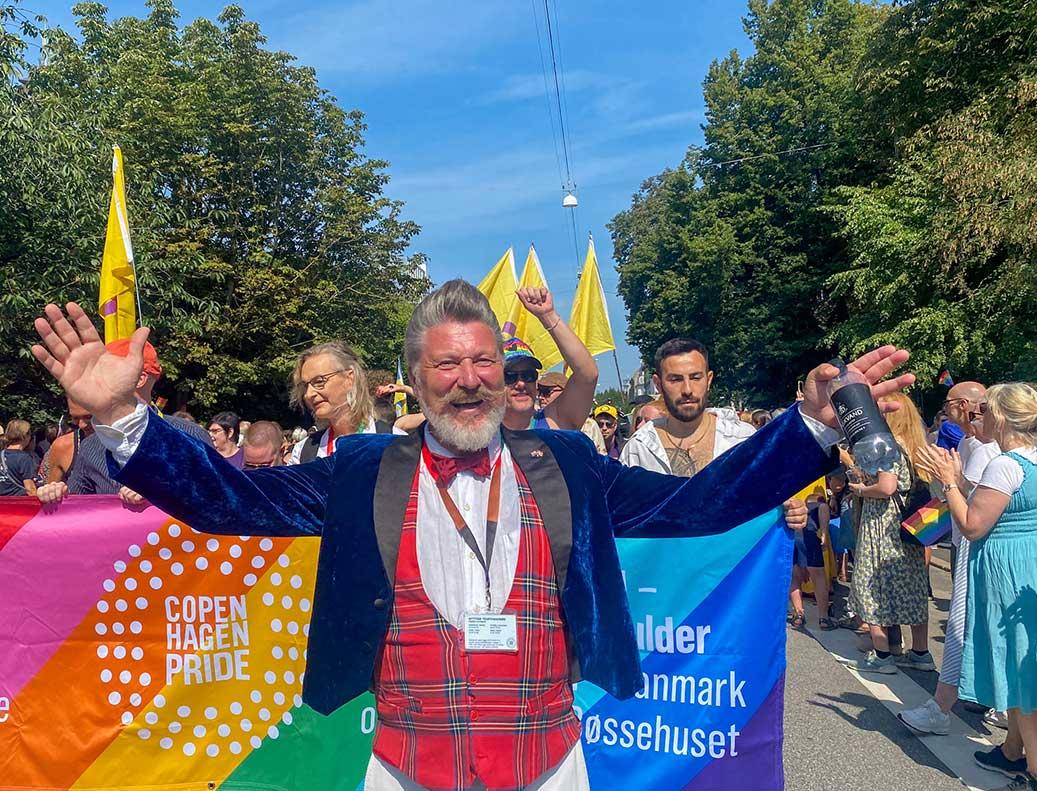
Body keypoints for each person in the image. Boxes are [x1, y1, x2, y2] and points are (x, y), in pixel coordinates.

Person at [29, 285, 914, 791]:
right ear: (414, 379)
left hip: (549, 760)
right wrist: (119, 414)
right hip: (406, 766)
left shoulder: (567, 462)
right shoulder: (363, 469)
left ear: (504, 369)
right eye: (446, 365)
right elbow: (223, 499)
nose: (467, 380)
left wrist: (807, 427)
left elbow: (702, 506)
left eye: (483, 361)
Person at [927, 383, 1037, 790]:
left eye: (985, 411)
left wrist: (947, 482)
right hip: (1031, 562)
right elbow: (991, 502)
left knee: (1021, 670)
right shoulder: (1036, 461)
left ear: (1001, 418)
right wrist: (960, 483)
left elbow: (972, 524)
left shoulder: (1004, 463)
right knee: (1020, 661)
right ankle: (1012, 750)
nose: (978, 417)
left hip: (1008, 570)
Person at [899, 380, 1002, 736]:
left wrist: (947, 481)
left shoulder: (991, 451)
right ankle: (997, 703)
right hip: (971, 546)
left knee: (964, 626)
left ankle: (942, 708)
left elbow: (967, 506)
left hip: (980, 549)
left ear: (964, 406)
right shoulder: (972, 443)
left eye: (948, 404)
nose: (945, 412)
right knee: (980, 627)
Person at [34, 338, 210, 504]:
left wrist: (161, 491)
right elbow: (77, 510)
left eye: (104, 376)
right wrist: (57, 495)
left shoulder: (190, 434)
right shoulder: (91, 446)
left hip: (172, 536)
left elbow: (219, 499)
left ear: (139, 378)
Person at [840, 391, 934, 675]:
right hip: (912, 526)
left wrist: (860, 489)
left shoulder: (887, 446)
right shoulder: (917, 446)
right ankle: (920, 652)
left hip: (883, 525)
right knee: (913, 588)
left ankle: (882, 655)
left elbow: (886, 487)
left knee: (872, 585)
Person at [620, 338, 756, 476]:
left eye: (696, 378)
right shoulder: (639, 450)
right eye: (675, 380)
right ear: (658, 385)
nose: (687, 390)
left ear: (708, 380)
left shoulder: (742, 439)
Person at [501, 287, 599, 432]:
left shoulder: (554, 421)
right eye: (510, 377)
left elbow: (587, 375)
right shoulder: (484, 434)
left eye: (529, 375)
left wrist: (548, 315)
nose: (521, 383)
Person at [288, 341, 402, 464]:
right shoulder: (303, 453)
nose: (309, 394)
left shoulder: (396, 442)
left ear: (349, 378)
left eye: (319, 381)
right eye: (305, 386)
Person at [787, 486, 834, 630]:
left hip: (792, 534)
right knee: (818, 576)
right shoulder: (819, 503)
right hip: (810, 537)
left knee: (794, 576)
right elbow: (823, 511)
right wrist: (825, 533)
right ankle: (823, 617)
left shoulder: (797, 499)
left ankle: (798, 613)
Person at [41, 397, 93, 483]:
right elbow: (52, 491)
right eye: (75, 418)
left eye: (88, 417)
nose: (82, 425)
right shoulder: (62, 446)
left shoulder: (120, 443)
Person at [0, 420, 40, 496]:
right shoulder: (24, 458)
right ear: (25, 435)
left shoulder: (1, 454)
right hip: (17, 504)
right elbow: (30, 489)